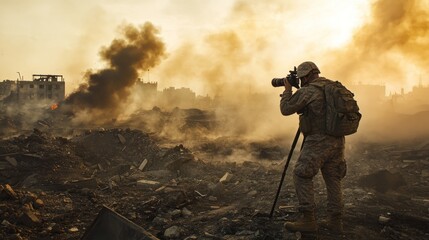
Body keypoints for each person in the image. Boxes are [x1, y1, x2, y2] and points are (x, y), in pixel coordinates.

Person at [279, 61, 347, 233]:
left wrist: (287, 90)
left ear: (308, 75)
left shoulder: (309, 91)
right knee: (333, 178)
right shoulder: (332, 87)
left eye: (302, 78)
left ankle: (308, 220)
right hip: (338, 140)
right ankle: (335, 222)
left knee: (301, 174)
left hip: (318, 141)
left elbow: (286, 109)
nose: (301, 81)